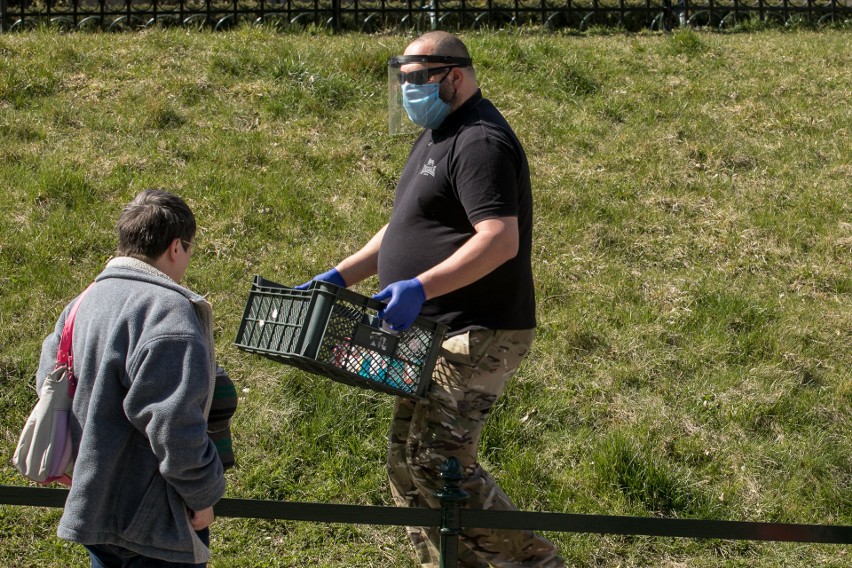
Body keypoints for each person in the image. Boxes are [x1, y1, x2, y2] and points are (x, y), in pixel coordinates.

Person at [299, 31, 565, 568]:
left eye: (416, 80)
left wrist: (420, 286)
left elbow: (499, 239)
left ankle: (536, 562)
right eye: (402, 82)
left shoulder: (481, 141)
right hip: (435, 331)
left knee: (439, 457)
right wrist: (340, 275)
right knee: (406, 463)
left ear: (454, 76)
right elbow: (403, 228)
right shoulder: (438, 135)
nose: (407, 92)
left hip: (478, 329)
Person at [36, 189, 227, 567]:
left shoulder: (83, 302)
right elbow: (174, 425)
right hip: (154, 520)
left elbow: (50, 380)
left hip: (94, 506)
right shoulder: (169, 314)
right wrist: (204, 496)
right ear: (176, 247)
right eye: (189, 250)